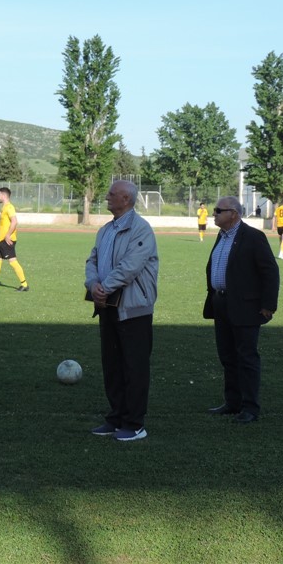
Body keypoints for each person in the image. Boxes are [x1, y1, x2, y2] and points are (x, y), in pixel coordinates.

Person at [85, 180, 159, 442]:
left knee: (134, 367)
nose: (107, 197)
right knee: (113, 366)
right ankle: (116, 418)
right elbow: (92, 259)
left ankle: (135, 423)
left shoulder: (141, 230)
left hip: (134, 309)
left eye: (112, 194)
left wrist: (103, 288)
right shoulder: (106, 230)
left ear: (126, 199)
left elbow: (130, 267)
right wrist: (92, 284)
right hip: (107, 306)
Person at [204, 196, 280, 424]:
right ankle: (233, 402)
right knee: (227, 357)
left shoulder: (253, 237)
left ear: (233, 214)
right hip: (221, 303)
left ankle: (250, 407)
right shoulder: (222, 235)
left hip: (245, 306)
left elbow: (270, 271)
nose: (214, 214)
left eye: (218, 210)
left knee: (246, 357)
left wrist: (268, 305)